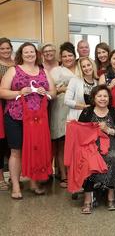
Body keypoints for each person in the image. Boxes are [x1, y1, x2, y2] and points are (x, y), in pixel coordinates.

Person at [0, 42, 56, 199]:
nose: (30, 54)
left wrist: (46, 92)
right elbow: (2, 92)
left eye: (32, 51)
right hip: (15, 116)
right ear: (21, 54)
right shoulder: (13, 70)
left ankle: (33, 183)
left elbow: (54, 92)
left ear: (36, 54)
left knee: (35, 149)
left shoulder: (43, 71)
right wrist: (19, 92)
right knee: (16, 151)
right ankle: (16, 186)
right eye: (26, 52)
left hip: (37, 119)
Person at [78, 85, 115, 214]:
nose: (102, 99)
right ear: (94, 98)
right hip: (91, 145)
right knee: (88, 161)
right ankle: (87, 199)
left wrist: (108, 130)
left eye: (105, 96)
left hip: (112, 143)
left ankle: (110, 196)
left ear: (109, 98)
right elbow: (79, 131)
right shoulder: (87, 112)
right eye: (99, 96)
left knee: (113, 158)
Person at [50, 42, 78, 188]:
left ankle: (76, 173)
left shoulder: (80, 68)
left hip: (78, 110)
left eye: (70, 55)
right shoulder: (56, 71)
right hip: (60, 109)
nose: (67, 58)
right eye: (64, 56)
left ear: (75, 56)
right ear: (61, 57)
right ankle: (64, 175)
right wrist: (66, 89)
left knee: (76, 144)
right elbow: (51, 89)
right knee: (62, 143)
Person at [0, 37, 14, 191]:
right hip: (1, 106)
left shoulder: (17, 64)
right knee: (1, 144)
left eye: (7, 48)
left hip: (15, 107)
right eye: (2, 49)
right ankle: (0, 177)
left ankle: (13, 175)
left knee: (14, 144)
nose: (5, 51)